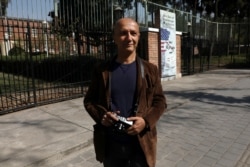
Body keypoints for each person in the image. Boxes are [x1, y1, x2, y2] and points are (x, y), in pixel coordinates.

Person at [84, 17, 167, 167]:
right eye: (123, 33)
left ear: (138, 37)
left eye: (133, 33)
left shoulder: (150, 70)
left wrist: (146, 121)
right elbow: (89, 101)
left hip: (141, 143)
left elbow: (160, 101)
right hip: (111, 144)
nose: (129, 38)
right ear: (114, 37)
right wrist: (101, 115)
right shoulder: (102, 70)